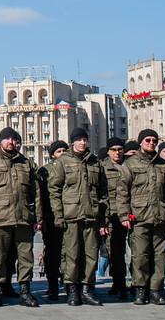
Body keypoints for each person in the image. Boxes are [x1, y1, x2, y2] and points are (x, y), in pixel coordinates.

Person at [0, 127, 40, 308]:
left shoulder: (26, 163)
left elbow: (35, 193)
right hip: (0, 218)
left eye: (14, 140)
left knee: (25, 256)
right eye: (7, 139)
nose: (11, 143)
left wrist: (38, 218)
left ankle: (25, 291)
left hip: (23, 217)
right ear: (1, 142)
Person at [117, 129, 165, 306]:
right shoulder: (130, 164)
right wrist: (123, 215)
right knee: (140, 255)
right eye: (147, 140)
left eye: (154, 140)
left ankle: (156, 290)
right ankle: (140, 289)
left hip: (161, 215)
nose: (151, 143)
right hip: (139, 216)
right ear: (140, 142)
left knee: (160, 256)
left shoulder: (163, 164)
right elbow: (122, 192)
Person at [46, 128, 106, 306]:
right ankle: (72, 289)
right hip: (71, 216)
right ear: (73, 142)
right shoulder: (63, 162)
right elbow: (54, 190)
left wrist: (103, 216)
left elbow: (103, 191)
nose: (82, 143)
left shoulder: (95, 162)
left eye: (85, 139)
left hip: (91, 216)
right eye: (79, 139)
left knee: (91, 254)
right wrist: (58, 215)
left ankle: (87, 289)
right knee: (71, 254)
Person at [37, 140, 67, 301]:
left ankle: (69, 284)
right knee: (52, 254)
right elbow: (39, 197)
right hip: (51, 218)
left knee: (69, 253)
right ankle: (52, 285)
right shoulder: (44, 171)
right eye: (58, 151)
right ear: (52, 154)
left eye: (64, 150)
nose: (62, 153)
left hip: (70, 215)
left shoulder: (72, 169)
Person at [102, 137, 128, 300]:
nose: (117, 152)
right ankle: (119, 283)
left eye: (120, 149)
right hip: (112, 215)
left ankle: (132, 284)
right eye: (113, 150)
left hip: (132, 214)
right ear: (108, 151)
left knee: (133, 253)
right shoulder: (103, 168)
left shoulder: (129, 166)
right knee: (115, 252)